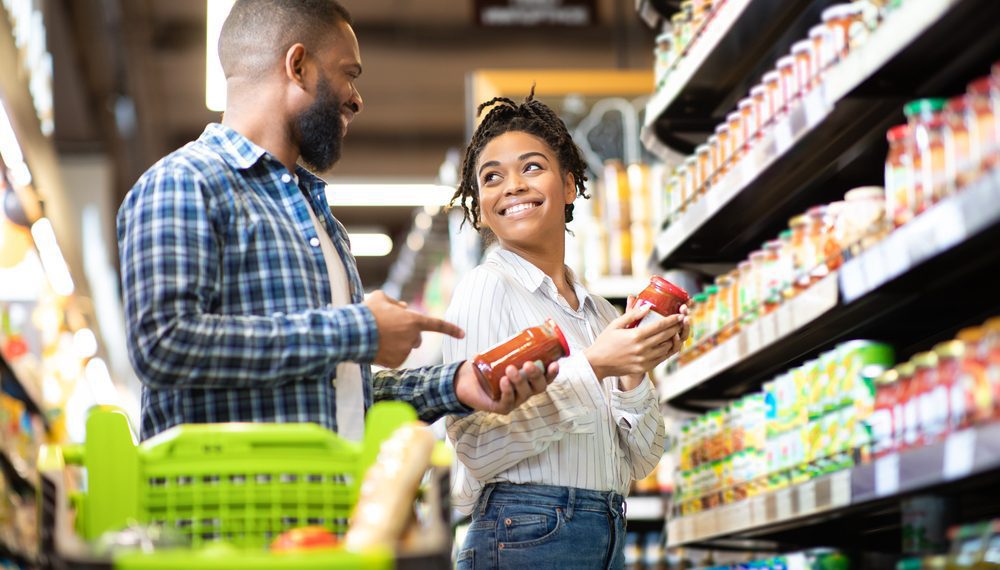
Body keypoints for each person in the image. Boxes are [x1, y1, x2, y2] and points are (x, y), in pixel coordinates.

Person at [115, 0, 557, 442]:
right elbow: (163, 344)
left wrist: (457, 384)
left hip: (327, 503)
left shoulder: (320, 221)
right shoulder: (183, 183)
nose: (357, 98)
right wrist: (359, 328)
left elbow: (341, 394)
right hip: (225, 506)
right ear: (299, 66)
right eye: (349, 73)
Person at [444, 90, 690, 569]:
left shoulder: (598, 313)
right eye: (491, 177)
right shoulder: (485, 289)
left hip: (604, 532)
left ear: (570, 186)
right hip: (523, 534)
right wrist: (596, 366)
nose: (511, 185)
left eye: (532, 167)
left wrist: (635, 369)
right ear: (481, 203)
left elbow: (640, 461)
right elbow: (476, 445)